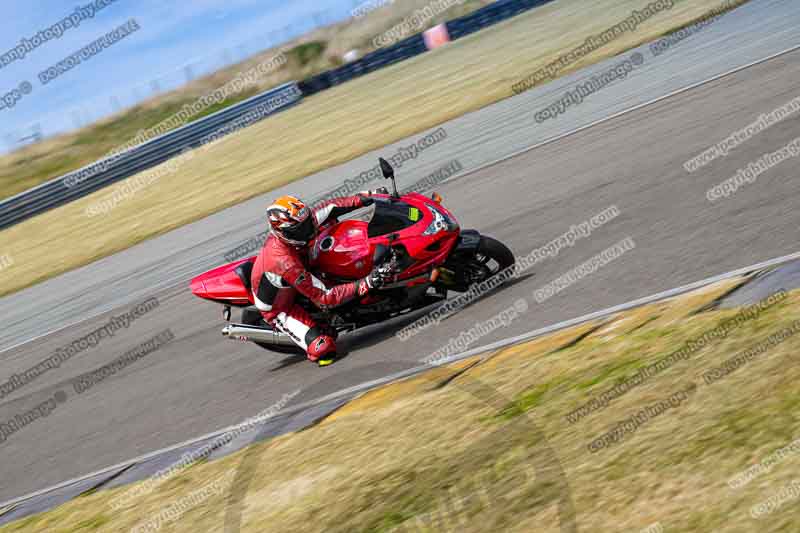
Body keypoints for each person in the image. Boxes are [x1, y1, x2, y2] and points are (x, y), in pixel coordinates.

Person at [250, 193, 391, 366]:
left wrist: (366, 197)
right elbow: (326, 297)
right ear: (283, 232)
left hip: (303, 265)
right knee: (324, 349)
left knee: (332, 227)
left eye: (308, 222)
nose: (309, 229)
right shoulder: (285, 261)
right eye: (301, 229)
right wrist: (367, 283)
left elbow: (332, 207)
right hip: (281, 306)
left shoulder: (300, 225)